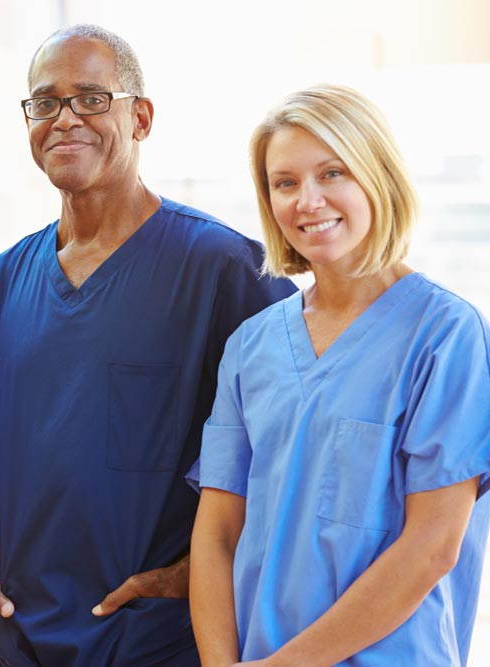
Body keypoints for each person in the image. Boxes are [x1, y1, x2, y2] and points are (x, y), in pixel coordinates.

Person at [0, 24, 296, 667]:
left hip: (160, 640)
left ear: (141, 117)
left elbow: (288, 455)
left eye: (92, 98)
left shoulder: (226, 271)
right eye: (45, 103)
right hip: (21, 640)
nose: (65, 118)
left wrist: (189, 576)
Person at [189, 84, 490, 667]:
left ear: (377, 176)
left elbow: (432, 547)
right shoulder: (252, 346)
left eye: (333, 173)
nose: (308, 200)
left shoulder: (447, 334)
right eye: (285, 183)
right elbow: (218, 533)